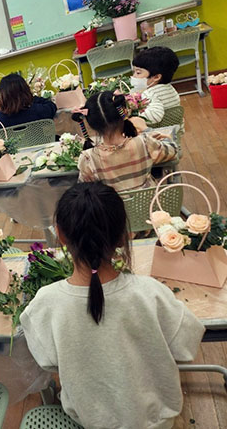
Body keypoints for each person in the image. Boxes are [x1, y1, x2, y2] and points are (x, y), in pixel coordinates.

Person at [21, 182, 204, 429]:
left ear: (59, 234)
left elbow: (48, 361)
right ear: (123, 236)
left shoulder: (44, 304)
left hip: (90, 421)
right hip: (156, 421)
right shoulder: (150, 293)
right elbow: (187, 346)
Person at [73, 91, 178, 192]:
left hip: (114, 209)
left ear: (91, 125)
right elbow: (173, 151)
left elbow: (84, 189)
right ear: (124, 112)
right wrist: (147, 130)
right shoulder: (144, 142)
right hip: (150, 205)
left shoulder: (88, 158)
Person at [131, 46, 181, 125]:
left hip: (156, 133)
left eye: (138, 73)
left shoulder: (149, 94)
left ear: (156, 77)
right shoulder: (171, 89)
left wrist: (132, 116)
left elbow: (156, 116)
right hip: (174, 132)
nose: (134, 76)